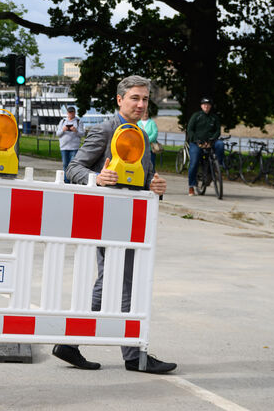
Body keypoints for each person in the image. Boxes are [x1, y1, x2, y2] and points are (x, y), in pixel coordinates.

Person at [57, 75, 176, 375]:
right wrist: (96, 179)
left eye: (145, 99)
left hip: (133, 222)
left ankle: (72, 344)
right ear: (119, 100)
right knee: (121, 283)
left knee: (117, 282)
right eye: (134, 98)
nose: (140, 104)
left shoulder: (142, 136)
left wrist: (155, 186)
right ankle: (132, 356)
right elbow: (74, 168)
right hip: (106, 219)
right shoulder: (105, 129)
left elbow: (142, 179)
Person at [186, 97, 224, 196]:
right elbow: (190, 130)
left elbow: (217, 131)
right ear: (201, 106)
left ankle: (218, 166)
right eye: (204, 105)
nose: (206, 107)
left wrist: (212, 140)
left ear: (210, 106)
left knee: (220, 144)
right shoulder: (196, 116)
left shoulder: (214, 117)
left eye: (208, 105)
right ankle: (191, 186)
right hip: (196, 143)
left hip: (210, 142)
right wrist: (197, 141)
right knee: (194, 162)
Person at [56, 105, 84, 180]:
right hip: (64, 147)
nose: (71, 114)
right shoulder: (63, 121)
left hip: (74, 147)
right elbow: (58, 134)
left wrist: (76, 131)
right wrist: (63, 129)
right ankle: (66, 180)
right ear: (67, 113)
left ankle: (72, 179)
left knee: (72, 165)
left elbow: (82, 134)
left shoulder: (78, 121)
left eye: (72, 112)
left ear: (75, 113)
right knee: (65, 164)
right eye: (69, 112)